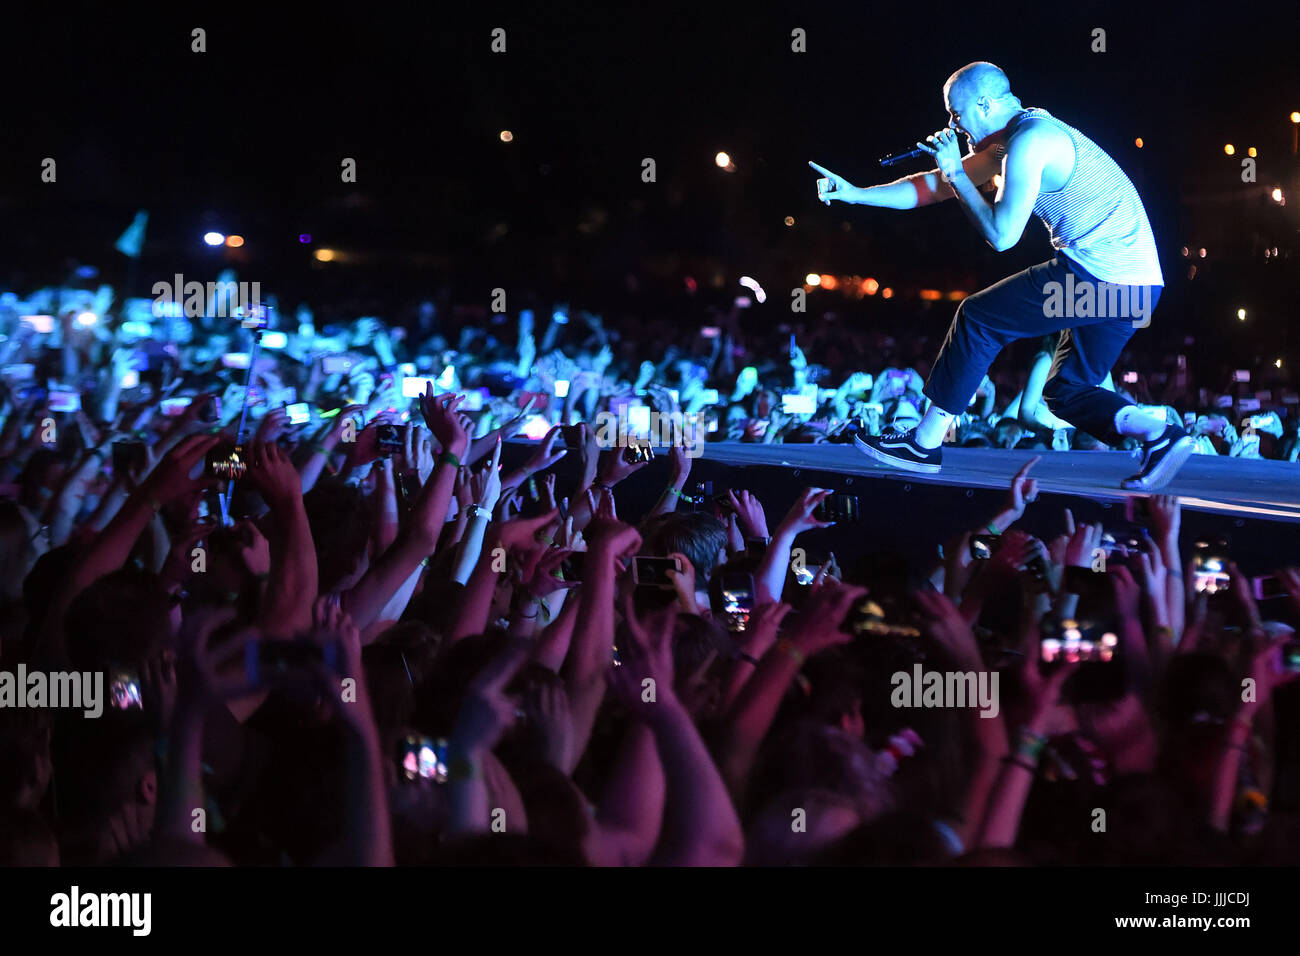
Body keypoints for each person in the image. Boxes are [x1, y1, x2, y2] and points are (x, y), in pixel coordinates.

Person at [811, 61, 1194, 489]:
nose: (953, 127)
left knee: (978, 318)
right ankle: (1158, 435)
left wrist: (956, 172)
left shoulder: (1029, 143)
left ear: (984, 103)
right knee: (1066, 391)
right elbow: (933, 187)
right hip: (1137, 291)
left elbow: (1002, 236)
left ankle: (923, 443)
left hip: (1101, 279)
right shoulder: (1013, 141)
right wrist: (857, 195)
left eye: (956, 115)